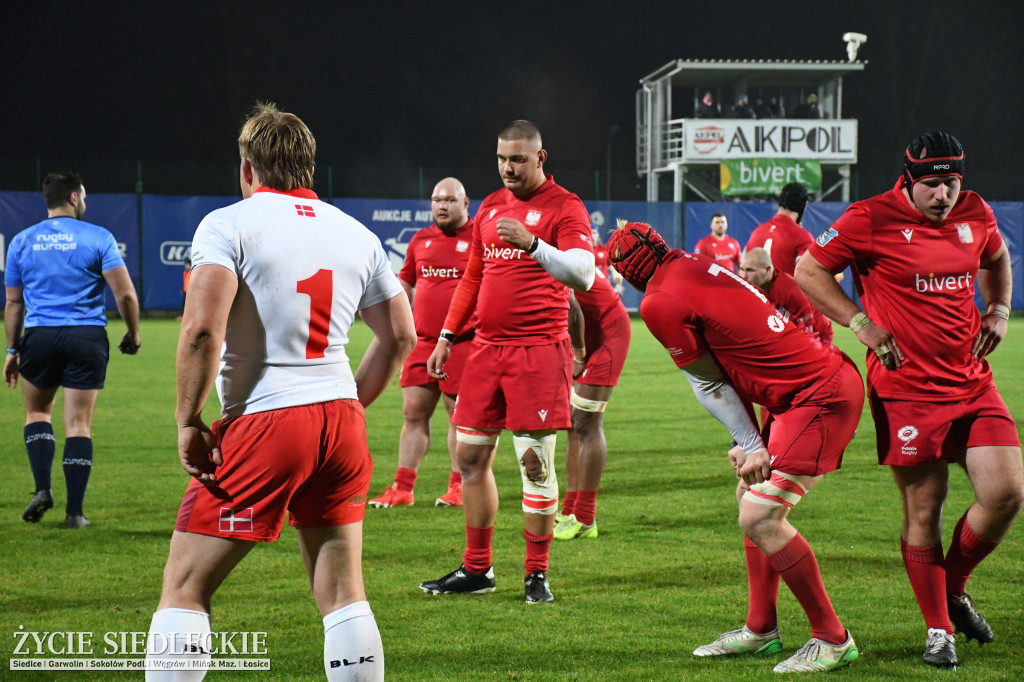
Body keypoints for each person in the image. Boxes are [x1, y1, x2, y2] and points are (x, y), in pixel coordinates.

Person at [144, 103, 415, 681]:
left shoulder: (229, 223)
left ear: (248, 168)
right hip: (340, 423)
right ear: (308, 167)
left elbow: (199, 330)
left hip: (266, 420)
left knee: (185, 586)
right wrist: (351, 403)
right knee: (344, 592)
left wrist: (187, 420)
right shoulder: (357, 233)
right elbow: (401, 334)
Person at [795, 131, 1023, 669]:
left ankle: (954, 588)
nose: (943, 196)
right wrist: (859, 322)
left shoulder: (976, 211)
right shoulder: (868, 217)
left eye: (951, 184)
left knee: (1007, 492)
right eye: (932, 186)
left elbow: (998, 255)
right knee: (925, 509)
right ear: (908, 180)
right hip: (907, 390)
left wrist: (998, 308)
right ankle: (938, 630)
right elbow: (808, 270)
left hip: (972, 381)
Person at [608, 221, 863, 674]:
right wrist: (746, 442)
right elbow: (730, 359)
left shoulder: (658, 301)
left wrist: (749, 441)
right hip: (801, 391)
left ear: (626, 275)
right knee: (749, 497)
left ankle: (832, 638)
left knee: (761, 514)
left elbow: (709, 382)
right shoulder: (691, 261)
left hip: (818, 395)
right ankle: (761, 629)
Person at [419, 120, 595, 603]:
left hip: (539, 352)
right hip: (484, 350)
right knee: (470, 457)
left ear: (541, 158)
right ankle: (477, 569)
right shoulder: (492, 206)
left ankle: (536, 573)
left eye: (518, 159)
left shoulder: (566, 207)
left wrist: (535, 244)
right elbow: (473, 278)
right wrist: (447, 337)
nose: (507, 167)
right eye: (501, 158)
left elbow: (583, 274)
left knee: (534, 464)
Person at [4, 171, 141, 529]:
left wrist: (11, 349)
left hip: (40, 337)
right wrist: (132, 332)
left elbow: (13, 304)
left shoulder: (21, 241)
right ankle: (74, 513)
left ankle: (42, 488)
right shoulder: (98, 237)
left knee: (38, 414)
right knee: (78, 423)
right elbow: (124, 294)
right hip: (86, 336)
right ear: (73, 199)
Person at [369, 177, 476, 509]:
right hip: (422, 342)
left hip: (464, 343)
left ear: (465, 203)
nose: (441, 206)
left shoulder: (478, 240)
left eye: (449, 200)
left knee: (458, 415)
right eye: (436, 200)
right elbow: (406, 283)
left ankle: (459, 487)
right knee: (413, 413)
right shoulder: (420, 239)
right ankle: (403, 488)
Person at [554, 267, 631, 541]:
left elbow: (572, 308)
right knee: (572, 426)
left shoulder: (544, 253)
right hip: (582, 333)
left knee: (586, 423)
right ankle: (570, 509)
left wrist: (578, 355)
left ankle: (586, 517)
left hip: (606, 334)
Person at [738, 248, 833, 347]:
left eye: (750, 270)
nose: (743, 276)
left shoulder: (791, 291)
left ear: (768, 270)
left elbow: (807, 334)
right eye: (741, 269)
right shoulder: (746, 286)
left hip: (818, 334)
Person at [745, 182, 814, 277]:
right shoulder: (802, 236)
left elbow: (743, 270)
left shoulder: (757, 232)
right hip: (786, 291)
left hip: (755, 291)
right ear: (804, 205)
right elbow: (808, 275)